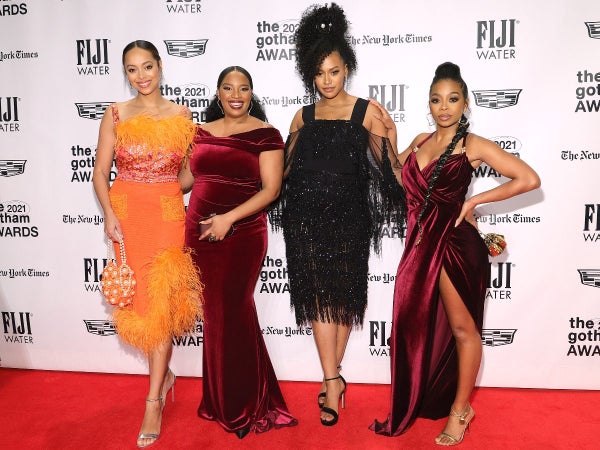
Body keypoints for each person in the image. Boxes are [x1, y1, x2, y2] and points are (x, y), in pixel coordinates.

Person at [370, 62, 541, 445]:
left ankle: (460, 411)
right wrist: (391, 134)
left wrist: (474, 201)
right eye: (436, 100)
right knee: (414, 327)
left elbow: (529, 179)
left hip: (453, 246)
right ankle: (430, 394)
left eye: (452, 99)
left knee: (464, 331)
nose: (443, 107)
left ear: (465, 104)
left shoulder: (471, 145)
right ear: (429, 104)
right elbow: (396, 179)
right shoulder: (420, 140)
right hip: (419, 247)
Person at [272, 3, 405, 427]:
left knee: (344, 299)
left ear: (347, 68)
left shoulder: (367, 112)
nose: (327, 80)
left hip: (350, 217)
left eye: (334, 71)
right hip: (306, 217)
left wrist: (392, 133)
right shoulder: (302, 116)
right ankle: (333, 380)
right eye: (319, 73)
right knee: (318, 302)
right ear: (309, 75)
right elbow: (282, 171)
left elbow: (392, 171)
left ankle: (332, 378)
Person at [93, 40, 202, 449]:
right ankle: (164, 377)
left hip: (167, 214)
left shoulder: (182, 116)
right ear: (126, 73)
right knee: (139, 303)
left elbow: (188, 175)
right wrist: (109, 213)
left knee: (161, 304)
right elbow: (100, 172)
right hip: (127, 215)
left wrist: (167, 184)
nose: (141, 76)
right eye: (132, 69)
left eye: (147, 66)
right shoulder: (116, 113)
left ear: (160, 67)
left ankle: (153, 400)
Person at [180, 66, 298, 439]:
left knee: (233, 312)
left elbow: (271, 190)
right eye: (228, 88)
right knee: (215, 317)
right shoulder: (198, 132)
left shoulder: (266, 134)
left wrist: (228, 219)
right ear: (218, 93)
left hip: (241, 234)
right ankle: (219, 399)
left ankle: (244, 403)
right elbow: (185, 181)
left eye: (243, 88)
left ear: (251, 93)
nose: (235, 94)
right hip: (198, 233)